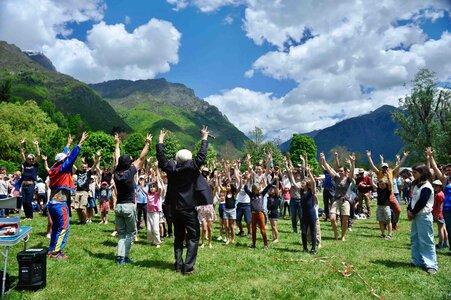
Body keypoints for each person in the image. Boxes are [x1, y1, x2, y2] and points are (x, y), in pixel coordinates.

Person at [156, 126, 210, 275]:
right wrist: (204, 138)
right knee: (193, 237)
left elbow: (161, 158)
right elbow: (201, 156)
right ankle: (188, 267)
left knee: (178, 237)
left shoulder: (171, 169)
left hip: (174, 208)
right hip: (188, 209)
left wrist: (160, 142)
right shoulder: (192, 168)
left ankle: (178, 265)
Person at [47, 133, 88, 259]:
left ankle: (52, 249)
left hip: (52, 204)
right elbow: (71, 158)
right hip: (60, 204)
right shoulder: (62, 169)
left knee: (55, 228)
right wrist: (79, 143)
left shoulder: (53, 168)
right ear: (63, 161)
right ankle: (56, 252)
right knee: (64, 227)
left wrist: (67, 145)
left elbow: (63, 158)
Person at [113, 132, 152, 264]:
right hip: (129, 206)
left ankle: (119, 256)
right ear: (128, 164)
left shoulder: (116, 172)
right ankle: (124, 257)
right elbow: (141, 158)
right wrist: (147, 143)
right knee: (130, 233)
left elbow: (117, 156)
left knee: (121, 233)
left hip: (118, 206)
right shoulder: (130, 172)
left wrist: (117, 144)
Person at [366, 151, 409, 231]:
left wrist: (404, 157)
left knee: (398, 210)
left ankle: (395, 224)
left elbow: (399, 165)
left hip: (391, 194)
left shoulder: (391, 172)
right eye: (383, 167)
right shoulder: (379, 173)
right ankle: (385, 225)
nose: (385, 169)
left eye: (386, 167)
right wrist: (369, 157)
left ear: (388, 168)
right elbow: (372, 166)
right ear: (381, 168)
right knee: (384, 211)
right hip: (382, 195)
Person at [407, 164, 437, 274]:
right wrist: (409, 209)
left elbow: (422, 202)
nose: (413, 174)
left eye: (415, 172)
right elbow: (413, 199)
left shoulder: (427, 187)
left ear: (422, 173)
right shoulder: (416, 185)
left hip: (423, 216)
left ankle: (431, 264)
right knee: (415, 239)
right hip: (416, 216)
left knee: (426, 240)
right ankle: (417, 261)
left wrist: (412, 212)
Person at [320, 152, 355, 241]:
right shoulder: (335, 178)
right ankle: (336, 233)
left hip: (345, 201)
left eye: (341, 171)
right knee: (332, 218)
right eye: (339, 171)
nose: (339, 172)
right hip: (336, 200)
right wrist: (323, 159)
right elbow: (328, 169)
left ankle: (343, 236)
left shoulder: (348, 179)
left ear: (345, 172)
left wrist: (352, 162)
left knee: (345, 220)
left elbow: (352, 171)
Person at [426, 147, 450, 251]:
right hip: (447, 208)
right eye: (447, 168)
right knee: (449, 228)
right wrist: (430, 157)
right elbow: (435, 168)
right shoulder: (445, 180)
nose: (449, 169)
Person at [19, 138, 41, 220]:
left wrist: (37, 145)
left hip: (31, 185)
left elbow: (38, 155)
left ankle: (30, 216)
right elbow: (21, 153)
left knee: (28, 201)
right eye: (29, 159)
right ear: (27, 159)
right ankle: (27, 216)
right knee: (24, 202)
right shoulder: (25, 164)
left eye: (32, 159)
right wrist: (22, 144)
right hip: (24, 185)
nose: (31, 160)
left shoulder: (35, 165)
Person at [431, 180, 448, 249]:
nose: (434, 187)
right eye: (434, 186)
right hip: (441, 214)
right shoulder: (440, 193)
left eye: (436, 186)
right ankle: (445, 243)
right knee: (443, 228)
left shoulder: (439, 195)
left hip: (439, 214)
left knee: (440, 229)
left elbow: (439, 206)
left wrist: (437, 215)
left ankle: (440, 243)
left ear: (440, 187)